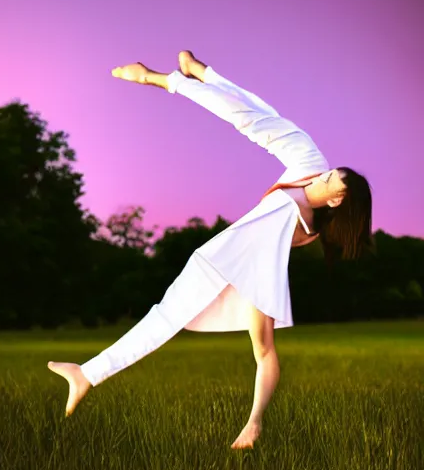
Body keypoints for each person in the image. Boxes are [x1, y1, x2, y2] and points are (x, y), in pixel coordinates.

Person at [48, 51, 372, 449]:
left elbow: (256, 121)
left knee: (264, 351)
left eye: (330, 183)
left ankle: (253, 426)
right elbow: (253, 116)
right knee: (163, 317)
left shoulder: (311, 228)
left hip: (255, 275)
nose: (322, 177)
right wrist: (191, 78)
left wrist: (168, 78)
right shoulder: (308, 160)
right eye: (329, 172)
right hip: (219, 257)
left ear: (337, 202)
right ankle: (86, 375)